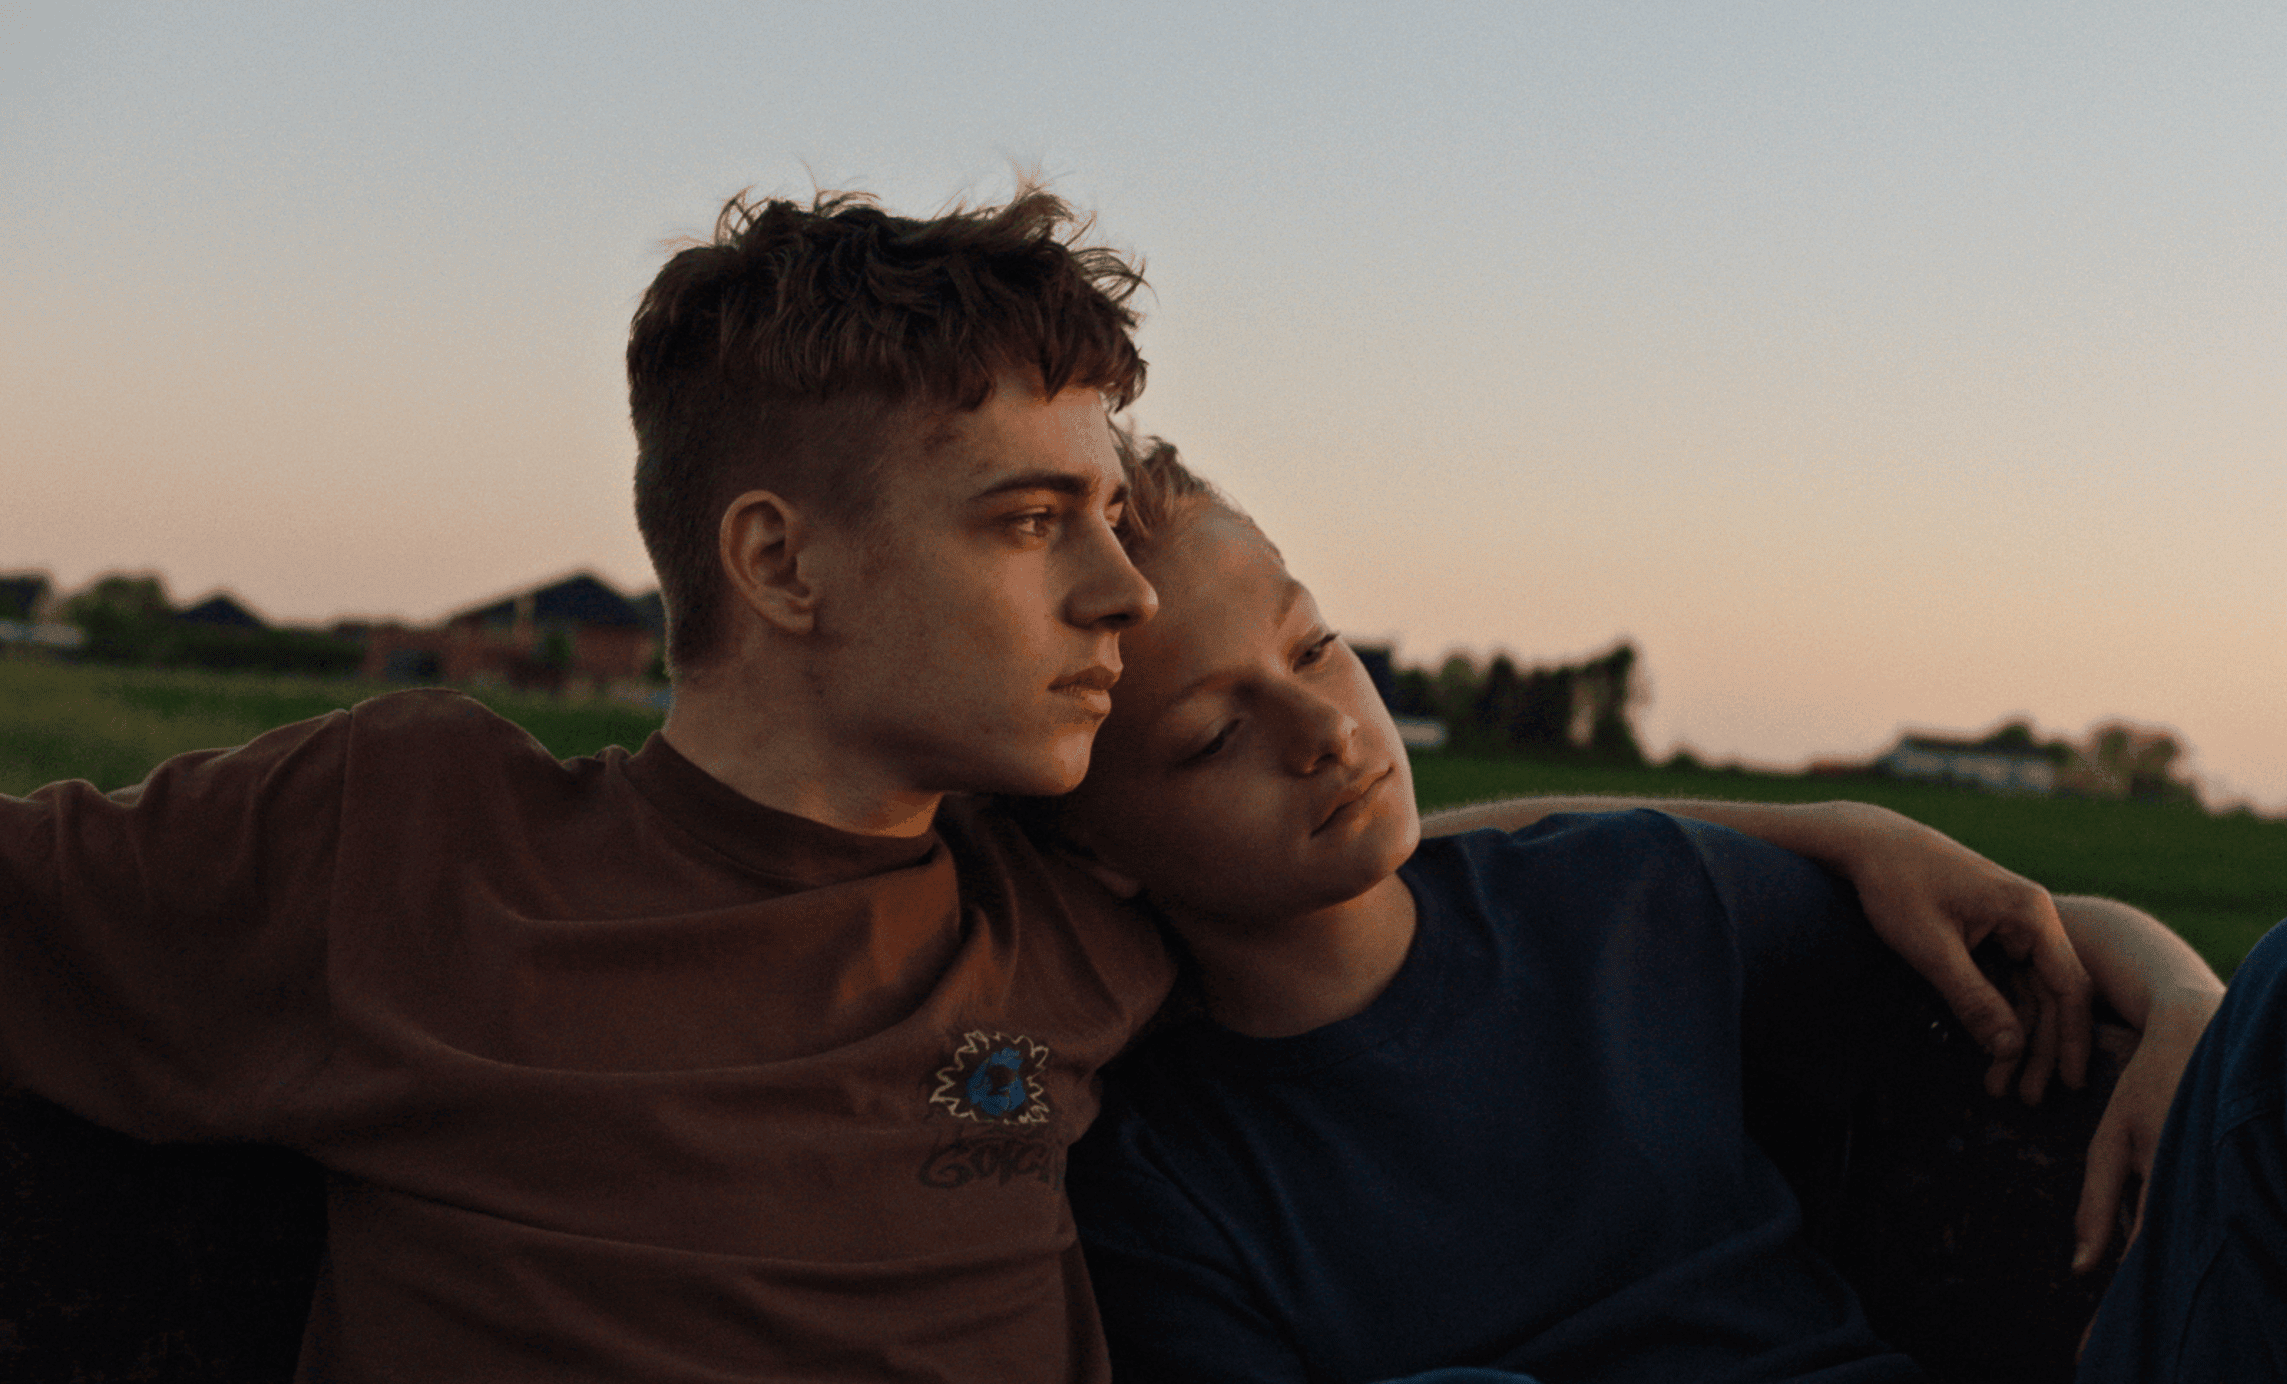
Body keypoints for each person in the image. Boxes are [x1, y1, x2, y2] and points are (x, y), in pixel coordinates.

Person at [0, 184, 2090, 1381]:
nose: (1113, 586)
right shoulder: (402, 840)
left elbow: (1356, 841)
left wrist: (1838, 830)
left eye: (1108, 507)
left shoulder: (1056, 920)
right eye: (1025, 521)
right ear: (778, 560)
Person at [1057, 442, 2287, 1383]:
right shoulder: (1161, 1181)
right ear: (1098, 843)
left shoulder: (1623, 899)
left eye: (1317, 647)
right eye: (1209, 737)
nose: (1322, 731)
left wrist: (2180, 1000)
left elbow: (2021, 934)